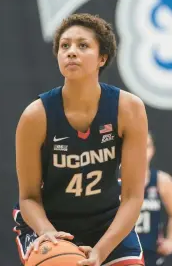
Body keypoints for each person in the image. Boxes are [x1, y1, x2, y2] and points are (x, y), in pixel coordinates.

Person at [13, 13, 148, 266]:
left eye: (82, 45)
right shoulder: (35, 116)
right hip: (48, 222)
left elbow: (132, 197)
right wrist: (46, 232)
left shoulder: (128, 109)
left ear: (102, 58)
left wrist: (101, 251)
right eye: (65, 46)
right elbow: (29, 197)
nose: (71, 52)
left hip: (106, 221)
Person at [119, 133, 172, 266]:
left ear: (152, 150)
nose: (142, 151)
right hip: (120, 252)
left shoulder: (162, 180)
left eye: (146, 146)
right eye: (137, 146)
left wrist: (171, 241)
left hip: (151, 254)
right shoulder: (112, 180)